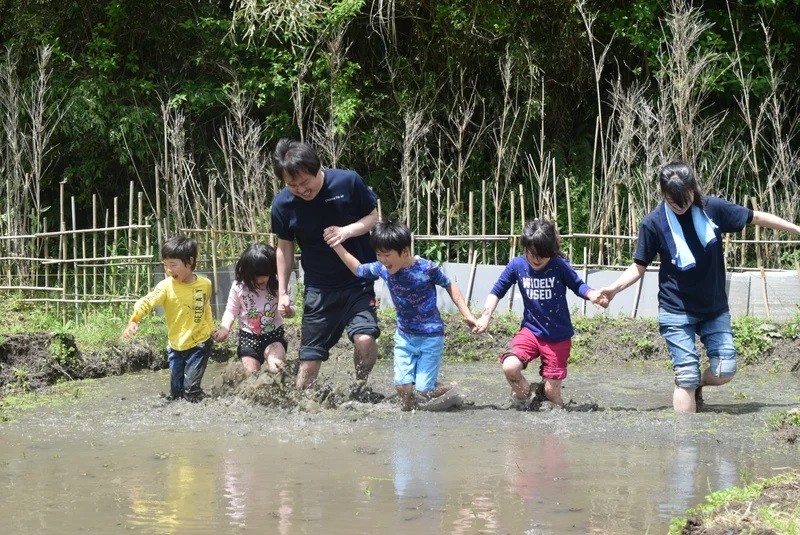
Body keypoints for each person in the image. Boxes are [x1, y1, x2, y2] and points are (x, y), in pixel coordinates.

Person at [599, 162, 800, 413]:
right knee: (686, 376)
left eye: (686, 198)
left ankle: (698, 385)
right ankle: (686, 444)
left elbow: (755, 217)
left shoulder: (712, 208)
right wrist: (613, 289)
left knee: (724, 370)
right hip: (676, 308)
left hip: (713, 307)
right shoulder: (654, 223)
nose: (681, 206)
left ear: (694, 189)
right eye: (674, 202)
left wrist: (795, 228)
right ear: (664, 196)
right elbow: (638, 266)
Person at [271, 139, 381, 393]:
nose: (301, 189)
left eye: (305, 181)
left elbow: (374, 216)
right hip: (319, 288)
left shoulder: (348, 182)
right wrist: (283, 293)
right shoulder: (282, 205)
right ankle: (301, 403)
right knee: (309, 362)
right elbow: (284, 248)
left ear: (317, 168)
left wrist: (347, 231)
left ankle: (360, 388)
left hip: (358, 281)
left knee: (365, 340)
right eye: (292, 184)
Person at [331, 220, 478, 411]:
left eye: (387, 255)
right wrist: (336, 245)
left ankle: (451, 389)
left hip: (431, 336)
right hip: (404, 336)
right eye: (379, 254)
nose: (383, 259)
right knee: (402, 386)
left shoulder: (427, 268)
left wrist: (467, 314)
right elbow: (359, 269)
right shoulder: (383, 269)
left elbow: (450, 284)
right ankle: (409, 421)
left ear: (405, 251)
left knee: (424, 390)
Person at [474, 218, 606, 409]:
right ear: (525, 248)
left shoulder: (559, 265)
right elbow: (497, 291)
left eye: (542, 256)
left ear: (551, 252)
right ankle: (527, 397)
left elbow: (578, 285)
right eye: (532, 254)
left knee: (552, 395)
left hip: (558, 337)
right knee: (510, 366)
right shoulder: (517, 266)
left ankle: (558, 418)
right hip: (530, 331)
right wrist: (486, 315)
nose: (536, 259)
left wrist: (593, 294)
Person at [122, 236, 215, 402]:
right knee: (176, 393)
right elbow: (147, 301)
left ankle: (200, 417)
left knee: (190, 391)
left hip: (200, 343)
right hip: (176, 346)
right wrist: (134, 320)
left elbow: (205, 308)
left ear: (190, 261)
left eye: (173, 265)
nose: (168, 270)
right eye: (165, 265)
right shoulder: (165, 287)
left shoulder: (205, 284)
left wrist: (211, 329)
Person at [214, 243, 289, 375]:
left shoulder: (278, 285)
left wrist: (289, 311)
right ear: (246, 273)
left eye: (264, 275)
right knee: (251, 373)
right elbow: (231, 310)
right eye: (255, 276)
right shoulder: (239, 287)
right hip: (248, 336)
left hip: (273, 334)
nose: (260, 279)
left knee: (277, 367)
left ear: (273, 270)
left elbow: (290, 308)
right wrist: (225, 328)